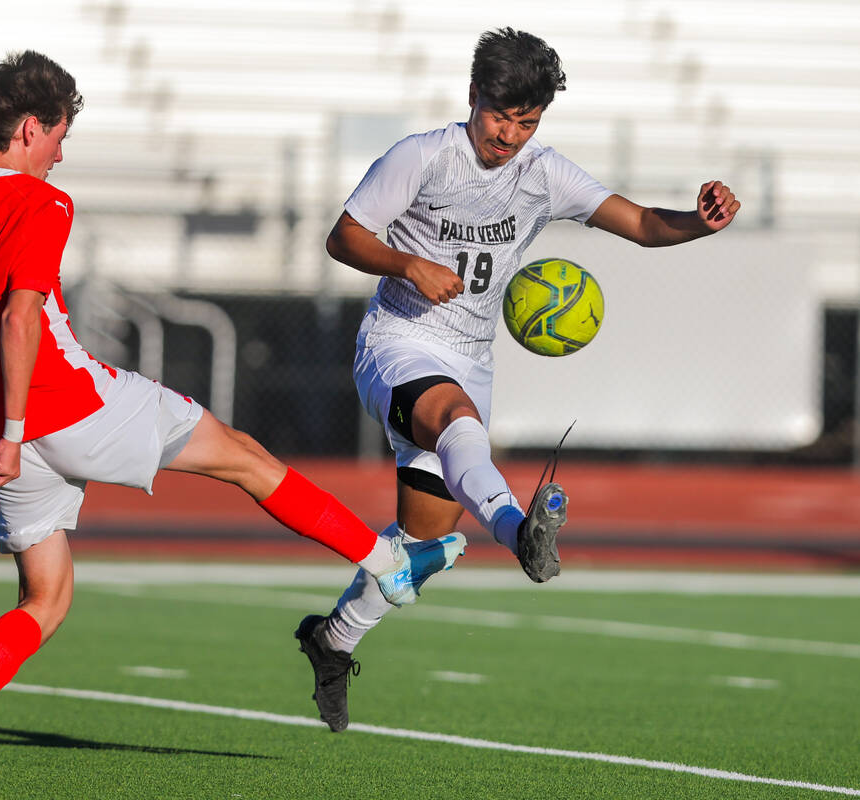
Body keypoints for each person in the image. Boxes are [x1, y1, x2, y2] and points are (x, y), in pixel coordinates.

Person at [0, 50, 467, 778]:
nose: (59, 155)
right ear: (25, 129)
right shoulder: (40, 203)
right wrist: (17, 435)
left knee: (44, 598)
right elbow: (20, 317)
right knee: (245, 458)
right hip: (66, 409)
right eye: (57, 137)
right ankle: (385, 563)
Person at [294, 27, 740, 733]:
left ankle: (333, 640)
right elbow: (343, 236)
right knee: (457, 422)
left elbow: (644, 223)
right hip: (400, 342)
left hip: (472, 355)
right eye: (500, 116)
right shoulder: (421, 157)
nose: (509, 134)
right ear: (474, 97)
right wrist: (407, 265)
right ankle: (517, 531)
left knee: (421, 546)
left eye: (526, 122)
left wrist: (700, 222)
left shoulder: (544, 172)